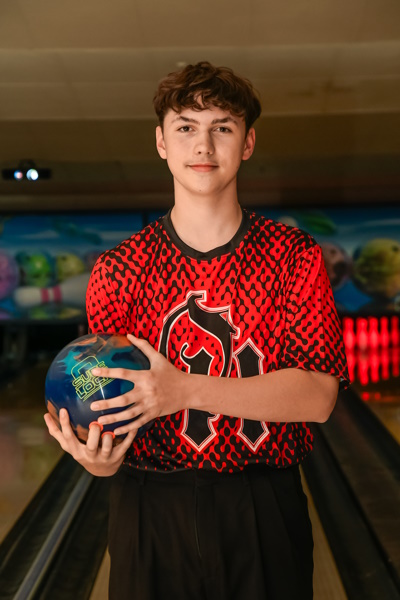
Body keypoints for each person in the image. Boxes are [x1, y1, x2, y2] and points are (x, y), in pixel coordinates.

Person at [44, 61, 349, 600]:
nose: (202, 145)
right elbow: (101, 392)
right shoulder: (118, 270)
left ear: (247, 143)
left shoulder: (294, 257)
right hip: (147, 509)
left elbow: (319, 397)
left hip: (264, 509)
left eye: (222, 127)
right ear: (161, 142)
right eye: (186, 127)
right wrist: (97, 456)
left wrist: (182, 390)